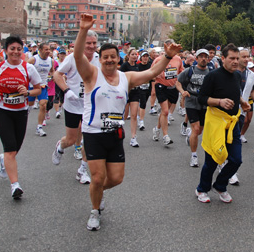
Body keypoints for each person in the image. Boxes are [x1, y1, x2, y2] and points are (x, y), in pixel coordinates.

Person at [74, 13, 181, 231]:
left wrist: (167, 57)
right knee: (97, 177)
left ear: (118, 58)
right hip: (93, 133)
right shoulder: (91, 75)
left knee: (116, 178)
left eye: (113, 56)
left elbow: (152, 71)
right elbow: (78, 57)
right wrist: (83, 30)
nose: (110, 60)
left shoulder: (127, 77)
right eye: (105, 57)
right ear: (100, 59)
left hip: (115, 134)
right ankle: (95, 210)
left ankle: (98, 193)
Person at [0, 36, 42, 199]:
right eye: (12, 48)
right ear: (6, 50)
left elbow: (38, 89)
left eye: (18, 49)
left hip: (21, 111)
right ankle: (15, 185)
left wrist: (28, 92)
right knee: (10, 147)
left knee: (15, 149)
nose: (15, 52)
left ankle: (3, 160)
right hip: (2, 110)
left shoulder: (28, 68)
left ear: (22, 50)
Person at [195, 43, 250, 204]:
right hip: (216, 123)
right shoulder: (213, 76)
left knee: (236, 159)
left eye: (237, 58)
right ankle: (202, 189)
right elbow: (201, 98)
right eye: (232, 58)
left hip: (232, 124)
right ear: (223, 58)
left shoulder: (237, 76)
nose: (235, 61)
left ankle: (220, 185)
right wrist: (219, 102)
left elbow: (234, 93)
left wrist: (242, 101)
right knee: (212, 161)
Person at [51, 30, 100, 185]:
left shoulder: (99, 58)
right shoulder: (73, 58)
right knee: (71, 139)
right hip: (73, 104)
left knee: (89, 140)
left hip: (91, 106)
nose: (92, 46)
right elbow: (57, 75)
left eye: (94, 43)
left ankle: (82, 170)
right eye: (88, 43)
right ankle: (61, 146)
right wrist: (67, 90)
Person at [176, 49, 213, 167]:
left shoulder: (212, 72)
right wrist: (183, 92)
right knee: (196, 129)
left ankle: (190, 136)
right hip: (191, 101)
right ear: (196, 59)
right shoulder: (190, 70)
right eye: (200, 56)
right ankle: (194, 156)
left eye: (205, 57)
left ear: (208, 59)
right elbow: (178, 82)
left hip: (205, 103)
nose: (203, 58)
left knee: (199, 131)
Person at [152, 39, 184, 146]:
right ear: (165, 47)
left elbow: (181, 72)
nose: (171, 48)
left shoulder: (178, 59)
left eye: (173, 46)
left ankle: (157, 129)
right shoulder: (158, 59)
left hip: (172, 87)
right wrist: (157, 75)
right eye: (169, 46)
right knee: (165, 112)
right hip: (161, 86)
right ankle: (166, 136)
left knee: (164, 113)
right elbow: (151, 73)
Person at [27, 43, 54, 136]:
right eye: (46, 49)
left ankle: (39, 127)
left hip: (43, 86)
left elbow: (52, 71)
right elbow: (24, 69)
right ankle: (22, 118)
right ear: (40, 50)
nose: (48, 51)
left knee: (43, 105)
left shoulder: (51, 61)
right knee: (29, 106)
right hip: (32, 86)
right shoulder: (33, 59)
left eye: (49, 50)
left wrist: (53, 76)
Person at [120, 49, 141, 147]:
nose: (134, 56)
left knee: (134, 115)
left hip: (135, 92)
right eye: (132, 54)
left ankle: (133, 137)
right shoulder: (124, 66)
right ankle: (120, 132)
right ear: (128, 56)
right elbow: (120, 78)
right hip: (126, 92)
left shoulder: (137, 66)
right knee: (124, 115)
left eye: (135, 54)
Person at [137, 52, 153, 131]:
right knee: (142, 104)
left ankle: (138, 116)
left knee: (143, 103)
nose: (145, 58)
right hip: (139, 87)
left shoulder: (150, 66)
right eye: (144, 56)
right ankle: (141, 121)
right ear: (141, 58)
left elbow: (153, 76)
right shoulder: (138, 66)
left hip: (148, 87)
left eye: (147, 56)